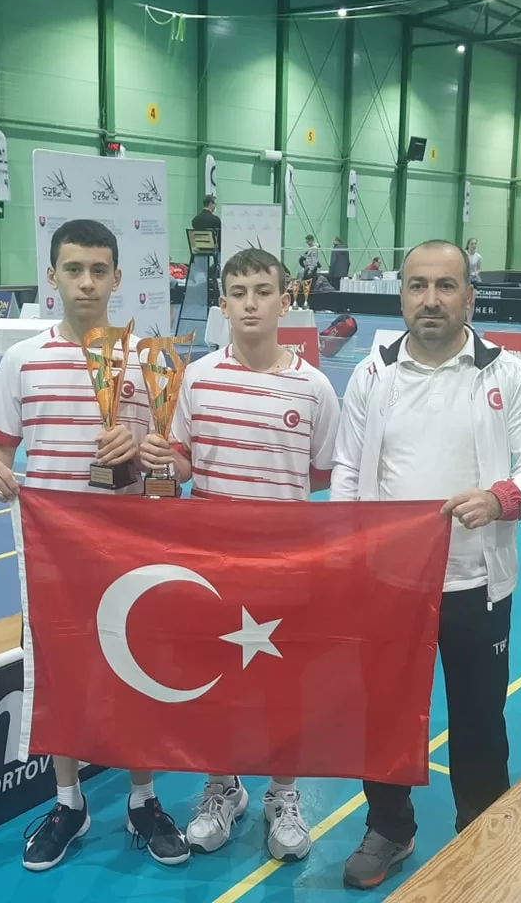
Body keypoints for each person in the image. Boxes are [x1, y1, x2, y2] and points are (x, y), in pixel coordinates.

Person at [331, 239, 521, 890]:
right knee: (385, 715)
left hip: (476, 584)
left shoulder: (506, 374)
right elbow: (346, 470)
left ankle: (481, 826)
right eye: (418, 286)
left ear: (469, 296)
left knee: (480, 719)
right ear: (401, 295)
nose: (430, 299)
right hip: (389, 583)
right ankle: (389, 827)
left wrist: (500, 497)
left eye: (445, 286)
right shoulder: (372, 373)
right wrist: (351, 558)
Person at [0, 219, 189, 872]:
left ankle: (143, 799)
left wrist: (146, 450)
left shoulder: (149, 359)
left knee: (139, 670)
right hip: (55, 554)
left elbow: (173, 462)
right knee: (61, 674)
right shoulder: (22, 360)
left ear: (118, 277)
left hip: (132, 546)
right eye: (74, 269)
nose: (87, 282)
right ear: (53, 276)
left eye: (99, 270)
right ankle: (69, 803)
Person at [139, 247, 340, 864]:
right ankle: (222, 787)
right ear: (222, 304)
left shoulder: (315, 387)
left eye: (263, 291)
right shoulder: (196, 378)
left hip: (285, 569)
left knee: (283, 686)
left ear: (285, 299)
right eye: (238, 292)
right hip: (213, 568)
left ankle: (283, 793)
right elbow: (185, 465)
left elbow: (322, 476)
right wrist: (164, 460)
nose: (251, 303)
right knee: (219, 683)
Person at [465, 238, 482, 322]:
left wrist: (476, 273)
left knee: (472, 302)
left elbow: (479, 268)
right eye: (472, 244)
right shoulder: (464, 255)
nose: (474, 245)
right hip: (465, 280)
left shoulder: (478, 257)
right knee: (464, 301)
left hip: (473, 280)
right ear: (468, 245)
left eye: (475, 244)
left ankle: (469, 322)